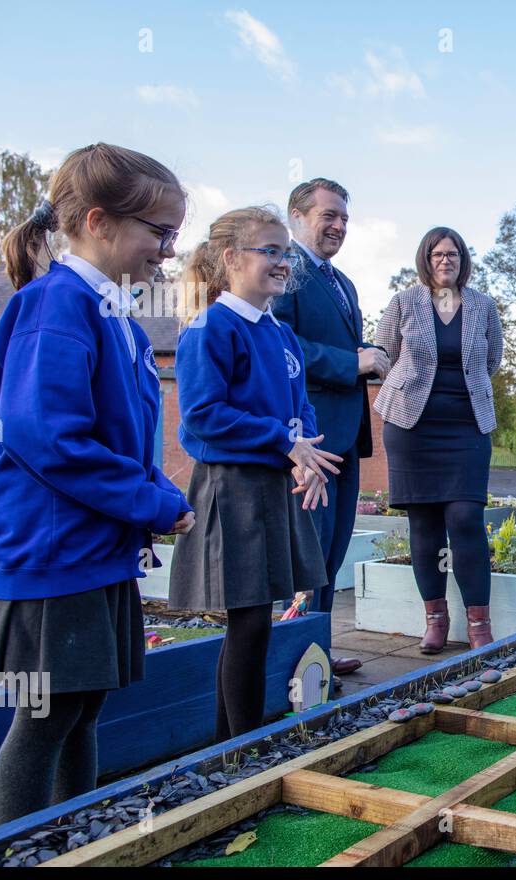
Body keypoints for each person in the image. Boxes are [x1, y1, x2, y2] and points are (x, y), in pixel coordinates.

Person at [0, 144, 193, 825]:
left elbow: (118, 437)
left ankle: (77, 844)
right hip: (52, 553)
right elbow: (52, 441)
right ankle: (23, 867)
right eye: (160, 233)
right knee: (46, 720)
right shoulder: (55, 308)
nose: (168, 250)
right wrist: (151, 501)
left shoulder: (114, 313)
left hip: (91, 549)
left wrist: (156, 493)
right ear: (99, 222)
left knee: (84, 708)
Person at [170, 206, 337, 742]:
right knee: (247, 624)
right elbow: (202, 416)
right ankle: (238, 749)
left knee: (260, 622)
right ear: (231, 258)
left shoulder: (282, 335)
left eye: (286, 252)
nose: (284, 261)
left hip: (276, 486)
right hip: (234, 491)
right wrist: (283, 441)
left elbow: (301, 407)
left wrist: (307, 455)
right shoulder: (210, 328)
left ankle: (235, 746)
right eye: (270, 250)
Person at [372, 227, 502, 654]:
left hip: (467, 427)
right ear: (425, 260)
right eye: (436, 254)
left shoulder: (483, 306)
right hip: (412, 429)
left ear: (463, 259)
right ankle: (435, 620)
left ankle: (479, 623)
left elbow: (492, 359)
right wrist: (408, 389)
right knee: (423, 523)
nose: (445, 260)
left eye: (452, 254)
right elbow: (382, 355)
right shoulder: (404, 302)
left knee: (465, 518)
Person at [272, 178, 379, 678]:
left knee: (331, 551)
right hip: (309, 440)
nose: (337, 226)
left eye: (344, 219)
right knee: (307, 553)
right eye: (327, 216)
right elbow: (280, 346)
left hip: (345, 435)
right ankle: (295, 659)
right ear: (296, 217)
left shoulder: (343, 282)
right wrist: (352, 362)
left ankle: (318, 648)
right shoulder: (284, 272)